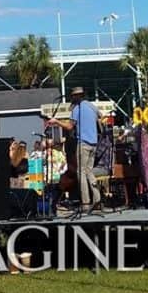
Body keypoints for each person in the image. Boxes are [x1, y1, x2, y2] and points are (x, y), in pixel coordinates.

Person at [48, 86, 102, 214]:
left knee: (81, 172)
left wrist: (57, 122)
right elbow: (100, 116)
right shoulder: (91, 106)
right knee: (88, 170)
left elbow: (69, 126)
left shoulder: (77, 109)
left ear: (76, 96)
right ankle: (97, 197)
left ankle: (85, 203)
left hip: (83, 143)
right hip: (94, 143)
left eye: (73, 96)